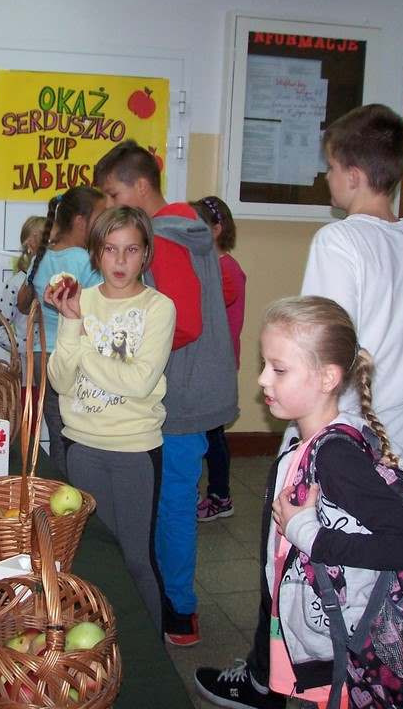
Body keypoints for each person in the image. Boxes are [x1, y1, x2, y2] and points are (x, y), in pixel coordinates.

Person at [199, 296, 403, 709]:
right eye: (264, 364)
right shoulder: (309, 443)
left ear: (328, 377)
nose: (262, 379)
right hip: (316, 632)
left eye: (279, 369)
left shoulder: (335, 457)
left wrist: (310, 535)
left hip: (342, 651)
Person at [95, 141, 238, 647]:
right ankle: (169, 599)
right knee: (169, 498)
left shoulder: (165, 238)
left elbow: (186, 322)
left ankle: (178, 610)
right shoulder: (186, 227)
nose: (109, 206)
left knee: (172, 503)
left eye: (113, 195)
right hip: (190, 385)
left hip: (182, 393)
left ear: (140, 186)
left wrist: (127, 356)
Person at [46, 206, 174, 633]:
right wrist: (71, 323)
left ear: (146, 254)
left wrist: (84, 346)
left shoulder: (158, 307)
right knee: (96, 557)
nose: (120, 261)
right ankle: (104, 642)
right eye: (110, 249)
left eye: (131, 250)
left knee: (136, 558)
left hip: (134, 447)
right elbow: (61, 381)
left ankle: (151, 646)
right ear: (96, 253)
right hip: (82, 444)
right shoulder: (81, 300)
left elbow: (138, 382)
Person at [301, 104, 403, 465]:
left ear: (353, 176)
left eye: (331, 167)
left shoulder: (337, 241)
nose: (327, 177)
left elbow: (321, 346)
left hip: (345, 435)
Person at [17, 186, 105, 478]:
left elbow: (22, 303)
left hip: (41, 357)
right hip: (70, 358)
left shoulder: (41, 257)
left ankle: (59, 488)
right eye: (101, 217)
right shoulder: (85, 261)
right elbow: (98, 311)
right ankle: (75, 491)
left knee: (58, 432)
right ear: (80, 221)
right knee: (77, 434)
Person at [190, 196, 247, 522]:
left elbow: (204, 313)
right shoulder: (208, 265)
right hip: (205, 364)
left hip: (216, 366)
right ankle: (201, 491)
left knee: (212, 434)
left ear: (216, 229)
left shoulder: (226, 270)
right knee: (204, 432)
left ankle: (220, 495)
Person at [0, 215, 47, 382]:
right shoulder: (16, 284)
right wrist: (28, 349)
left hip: (52, 365)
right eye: (46, 242)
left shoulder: (56, 280)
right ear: (30, 245)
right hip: (26, 371)